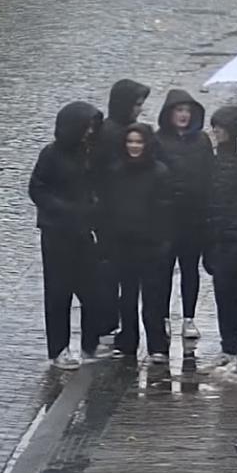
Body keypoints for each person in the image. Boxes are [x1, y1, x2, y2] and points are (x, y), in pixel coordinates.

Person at [28, 102, 106, 370]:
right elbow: (37, 189)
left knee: (92, 289)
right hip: (57, 233)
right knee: (59, 292)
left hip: (86, 231)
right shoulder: (51, 155)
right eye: (85, 127)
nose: (89, 133)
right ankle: (59, 348)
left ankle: (89, 344)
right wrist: (64, 210)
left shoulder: (90, 152)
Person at [102, 123, 175, 362]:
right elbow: (108, 207)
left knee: (152, 297)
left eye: (139, 142)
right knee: (127, 296)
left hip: (151, 244)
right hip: (123, 243)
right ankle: (128, 341)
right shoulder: (114, 171)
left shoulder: (160, 172)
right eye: (130, 142)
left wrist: (162, 239)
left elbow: (166, 210)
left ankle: (157, 344)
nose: (134, 146)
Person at [92, 79, 151, 346]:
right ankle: (115, 324)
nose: (139, 110)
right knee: (118, 277)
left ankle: (118, 327)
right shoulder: (112, 134)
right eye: (136, 105)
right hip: (113, 219)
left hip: (120, 219)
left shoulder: (118, 130)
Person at [154, 89, 212, 343]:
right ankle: (163, 317)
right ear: (169, 113)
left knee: (190, 268)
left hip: (194, 217)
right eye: (179, 110)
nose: (184, 116)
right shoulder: (157, 141)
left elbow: (210, 174)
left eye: (187, 111)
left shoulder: (201, 141)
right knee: (163, 269)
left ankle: (189, 317)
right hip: (166, 218)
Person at [201, 106, 237, 374]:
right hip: (218, 236)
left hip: (236, 237)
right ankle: (228, 346)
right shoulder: (217, 159)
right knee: (223, 293)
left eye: (220, 127)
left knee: (236, 294)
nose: (215, 132)